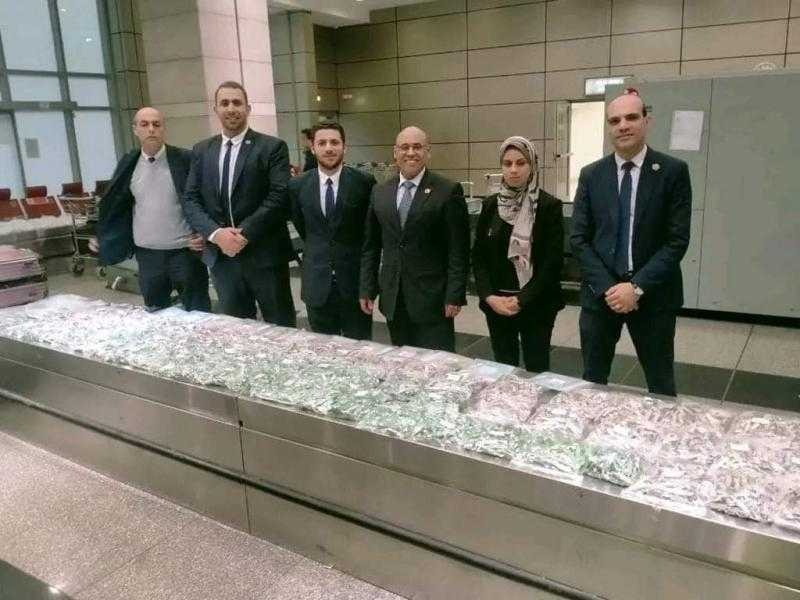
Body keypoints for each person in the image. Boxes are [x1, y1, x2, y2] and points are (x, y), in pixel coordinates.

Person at [570, 89, 691, 396]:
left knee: (660, 384)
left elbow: (676, 241)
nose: (623, 125)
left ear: (646, 121)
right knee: (592, 381)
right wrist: (610, 289)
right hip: (601, 295)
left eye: (631, 117)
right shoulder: (591, 175)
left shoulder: (672, 171)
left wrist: (635, 288)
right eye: (615, 120)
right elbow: (579, 239)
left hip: (653, 295)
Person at [182, 81, 296, 325]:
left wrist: (242, 235)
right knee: (237, 331)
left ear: (248, 108)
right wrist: (216, 235)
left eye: (237, 102)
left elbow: (279, 196)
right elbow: (190, 199)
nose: (231, 108)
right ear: (216, 109)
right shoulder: (201, 150)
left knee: (281, 328)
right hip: (223, 260)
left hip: (265, 256)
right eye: (224, 103)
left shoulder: (272, 147)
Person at [360, 126, 470, 352]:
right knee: (402, 362)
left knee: (438, 364)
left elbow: (458, 249)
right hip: (394, 299)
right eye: (405, 147)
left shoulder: (448, 190)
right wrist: (367, 288)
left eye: (417, 147)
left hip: (433, 300)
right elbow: (371, 246)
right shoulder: (380, 191)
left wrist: (455, 294)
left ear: (428, 152)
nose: (411, 153)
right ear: (395, 152)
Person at [97, 106, 210, 312]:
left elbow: (205, 200)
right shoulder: (128, 163)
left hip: (184, 254)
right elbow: (115, 204)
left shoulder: (185, 159)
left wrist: (204, 233)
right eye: (144, 124)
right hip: (148, 256)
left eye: (156, 124)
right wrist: (104, 236)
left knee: (197, 313)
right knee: (155, 313)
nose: (151, 129)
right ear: (135, 129)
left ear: (163, 128)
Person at [472, 136, 564, 371]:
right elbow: (479, 256)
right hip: (497, 304)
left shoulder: (548, 206)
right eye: (507, 163)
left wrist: (522, 300)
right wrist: (488, 296)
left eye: (521, 163)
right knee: (504, 367)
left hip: (537, 303)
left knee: (536, 367)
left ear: (532, 165)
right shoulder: (490, 205)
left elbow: (552, 263)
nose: (513, 169)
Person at [289, 122, 376, 339]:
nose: (329, 148)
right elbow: (304, 228)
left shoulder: (364, 182)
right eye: (322, 143)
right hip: (316, 285)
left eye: (334, 142)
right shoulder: (297, 185)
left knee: (360, 349)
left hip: (355, 286)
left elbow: (370, 236)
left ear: (344, 147)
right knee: (323, 351)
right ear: (313, 148)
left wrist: (368, 286)